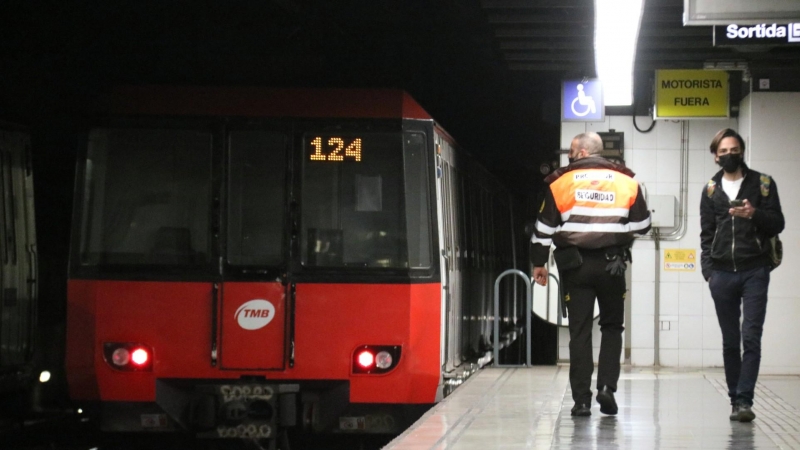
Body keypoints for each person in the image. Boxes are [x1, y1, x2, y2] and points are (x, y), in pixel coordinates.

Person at [530, 132, 651, 416]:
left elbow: (543, 230)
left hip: (576, 267)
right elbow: (644, 225)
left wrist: (539, 263)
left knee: (579, 332)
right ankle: (607, 388)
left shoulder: (560, 183)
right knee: (612, 328)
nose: (569, 156)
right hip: (612, 266)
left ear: (583, 153)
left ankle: (581, 401)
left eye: (572, 151)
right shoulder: (627, 182)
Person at [700, 128, 784, 423]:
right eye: (723, 152)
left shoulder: (762, 184)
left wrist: (754, 214)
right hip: (721, 273)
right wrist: (708, 272)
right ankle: (735, 399)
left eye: (734, 150)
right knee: (729, 340)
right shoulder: (711, 189)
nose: (729, 155)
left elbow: (778, 223)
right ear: (715, 156)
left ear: (742, 151)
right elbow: (706, 233)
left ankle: (745, 400)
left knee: (751, 336)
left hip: (754, 270)